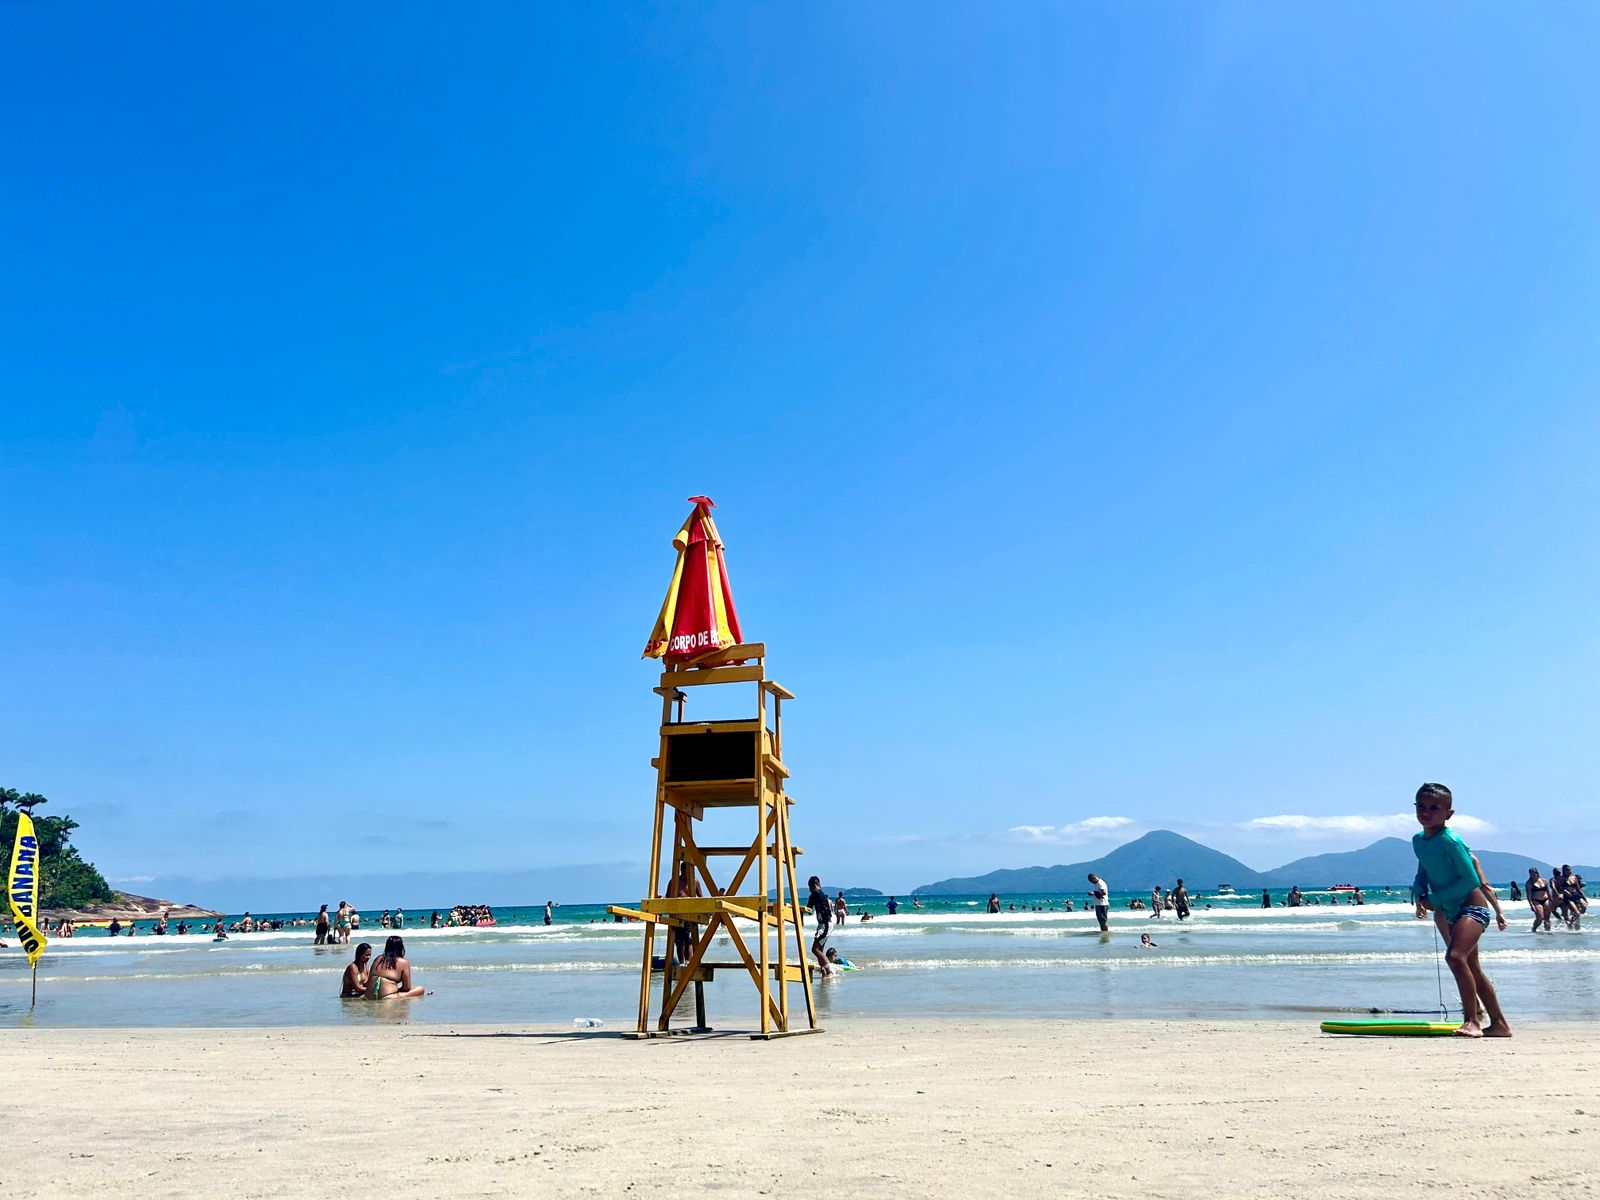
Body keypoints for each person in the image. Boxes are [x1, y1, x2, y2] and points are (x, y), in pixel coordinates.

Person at [1410, 782, 1510, 1039]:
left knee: (1455, 958)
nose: (1426, 812)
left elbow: (1470, 880)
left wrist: (1437, 897)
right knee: (1472, 967)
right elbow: (1424, 868)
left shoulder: (1451, 841)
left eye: (1434, 807)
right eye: (1421, 807)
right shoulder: (1418, 841)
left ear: (1448, 814)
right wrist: (1419, 890)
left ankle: (1472, 1021)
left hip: (1472, 907)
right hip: (1451, 910)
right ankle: (1499, 1024)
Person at [808, 875, 832, 975]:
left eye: (810, 887)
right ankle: (824, 972)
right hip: (825, 924)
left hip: (825, 925)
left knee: (815, 949)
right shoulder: (820, 894)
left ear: (815, 885)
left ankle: (829, 971)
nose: (809, 890)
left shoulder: (815, 893)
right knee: (820, 950)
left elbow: (808, 909)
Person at [1526, 868, 1553, 933]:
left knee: (1547, 918)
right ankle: (1534, 929)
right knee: (1540, 918)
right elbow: (1529, 895)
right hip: (1536, 900)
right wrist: (1531, 905)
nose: (1532, 875)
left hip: (1545, 899)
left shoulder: (1543, 881)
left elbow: (1548, 891)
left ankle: (1548, 931)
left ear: (1537, 873)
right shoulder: (1529, 883)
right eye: (1531, 874)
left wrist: (1551, 901)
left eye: (1533, 873)